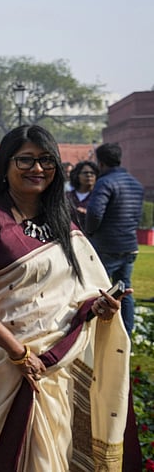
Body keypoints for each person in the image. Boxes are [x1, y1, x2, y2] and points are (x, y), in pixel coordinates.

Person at [0, 125, 140, 470]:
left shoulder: (62, 220)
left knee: (60, 456)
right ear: (5, 164)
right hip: (12, 367)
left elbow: (77, 292)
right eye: (26, 160)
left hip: (60, 365)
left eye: (46, 160)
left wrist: (99, 308)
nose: (37, 169)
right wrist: (18, 352)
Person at [85, 142, 144, 334]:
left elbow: (94, 213)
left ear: (100, 163)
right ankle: (126, 332)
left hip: (106, 245)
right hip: (129, 244)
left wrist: (90, 232)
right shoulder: (135, 183)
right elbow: (136, 215)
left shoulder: (105, 182)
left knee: (95, 288)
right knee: (124, 291)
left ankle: (91, 330)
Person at [66, 160, 98, 230]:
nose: (89, 175)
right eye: (85, 173)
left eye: (92, 173)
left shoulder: (99, 197)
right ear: (77, 175)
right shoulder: (67, 197)